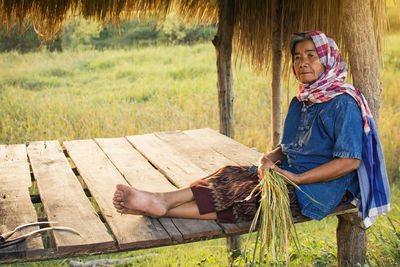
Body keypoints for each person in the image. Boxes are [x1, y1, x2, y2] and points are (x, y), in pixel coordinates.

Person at [113, 31, 390, 227]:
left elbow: (350, 161)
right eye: (297, 57)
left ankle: (163, 212)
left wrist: (297, 179)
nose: (303, 62)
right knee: (231, 174)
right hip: (288, 174)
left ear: (327, 60)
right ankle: (162, 199)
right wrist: (266, 159)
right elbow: (289, 147)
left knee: (253, 200)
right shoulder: (301, 100)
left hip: (322, 188)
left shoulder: (343, 103)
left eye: (311, 55)